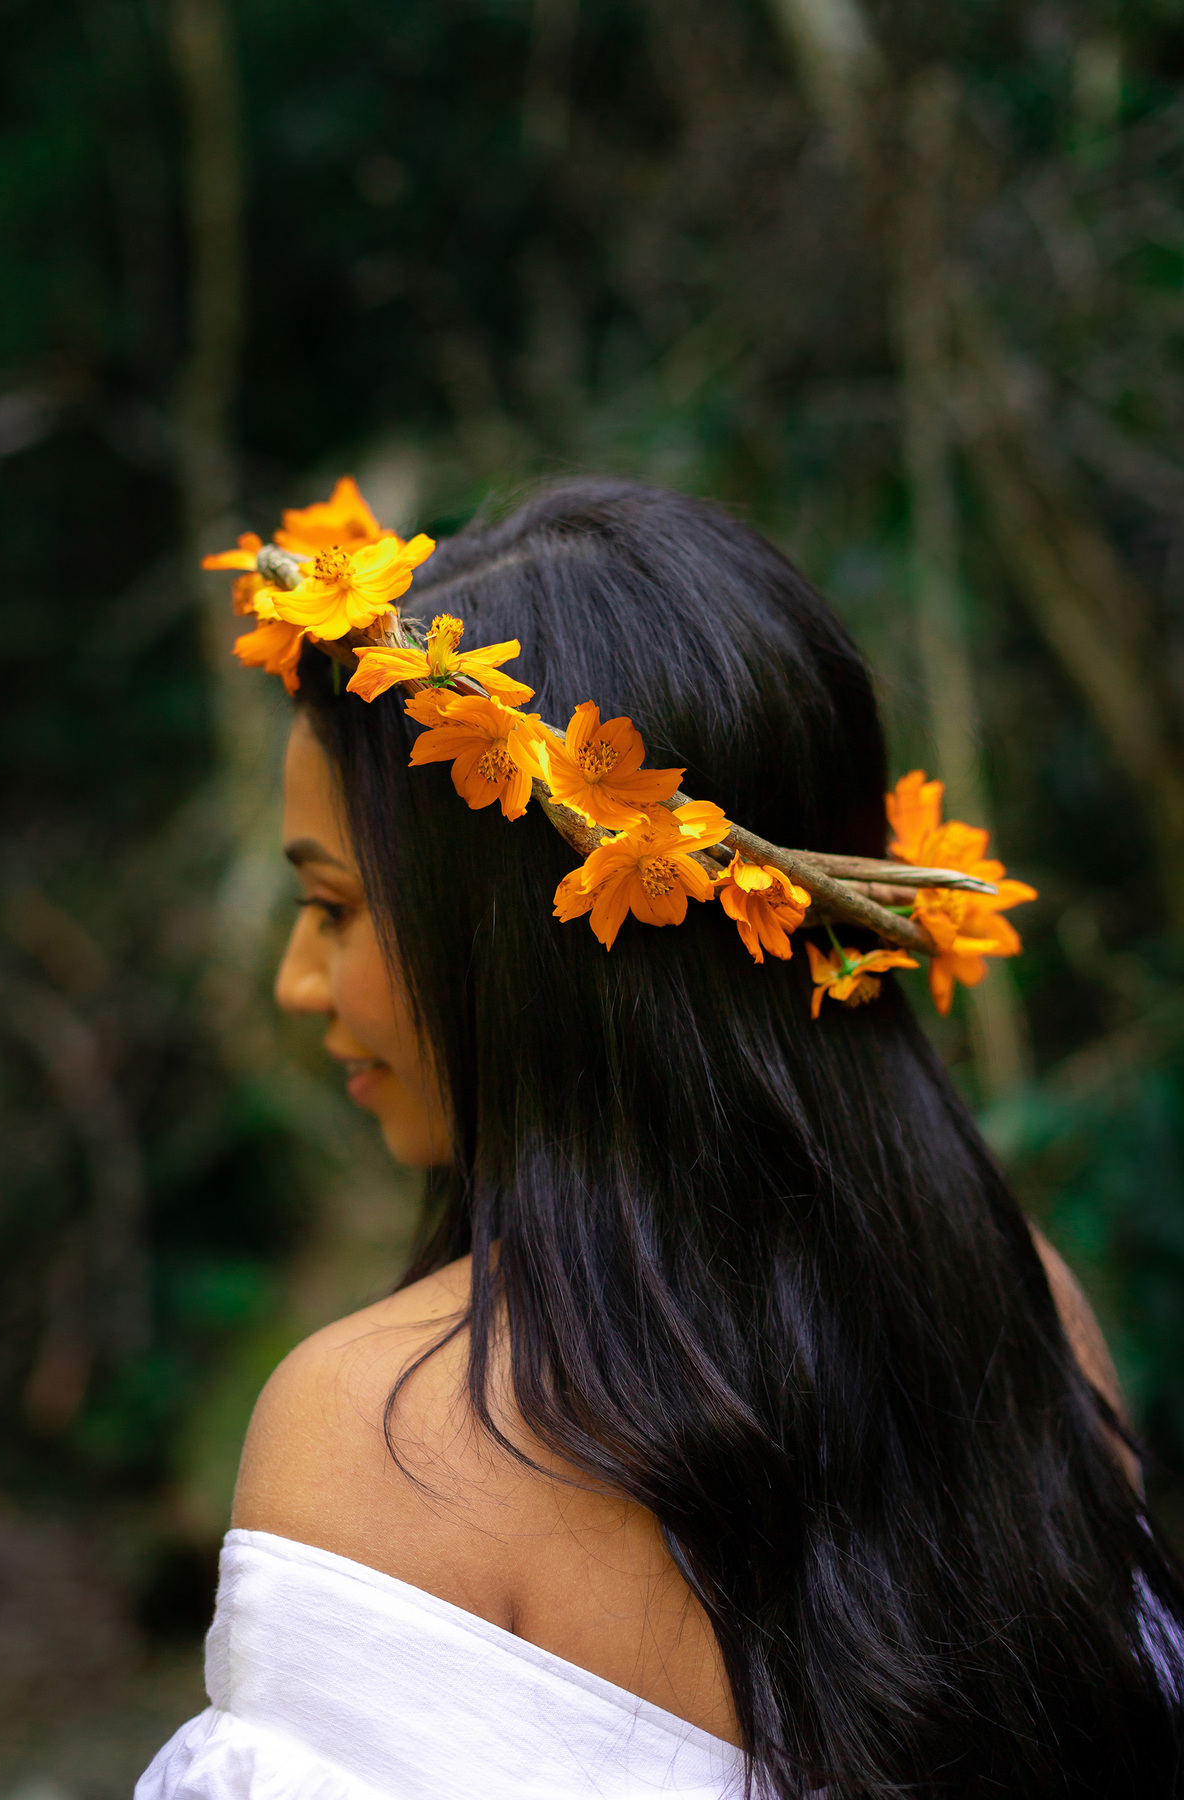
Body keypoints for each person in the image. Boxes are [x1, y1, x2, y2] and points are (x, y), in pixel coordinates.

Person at [138, 481, 1184, 1800]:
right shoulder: (1021, 1310)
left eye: (337, 907)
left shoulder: (381, 1435)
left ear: (528, 939)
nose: (301, 980)